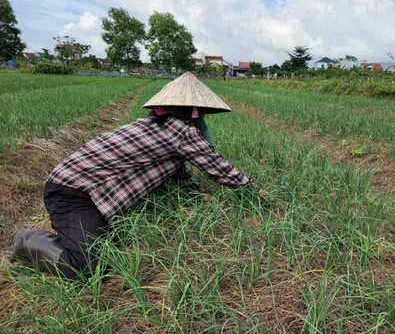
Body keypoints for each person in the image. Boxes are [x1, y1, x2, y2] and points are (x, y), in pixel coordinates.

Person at [12, 72, 256, 279]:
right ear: (194, 111)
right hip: (72, 191)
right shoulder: (182, 132)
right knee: (88, 268)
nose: (202, 118)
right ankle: (27, 240)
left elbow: (179, 173)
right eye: (200, 112)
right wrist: (253, 192)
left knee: (107, 243)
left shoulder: (160, 128)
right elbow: (218, 167)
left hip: (88, 190)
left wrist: (197, 195)